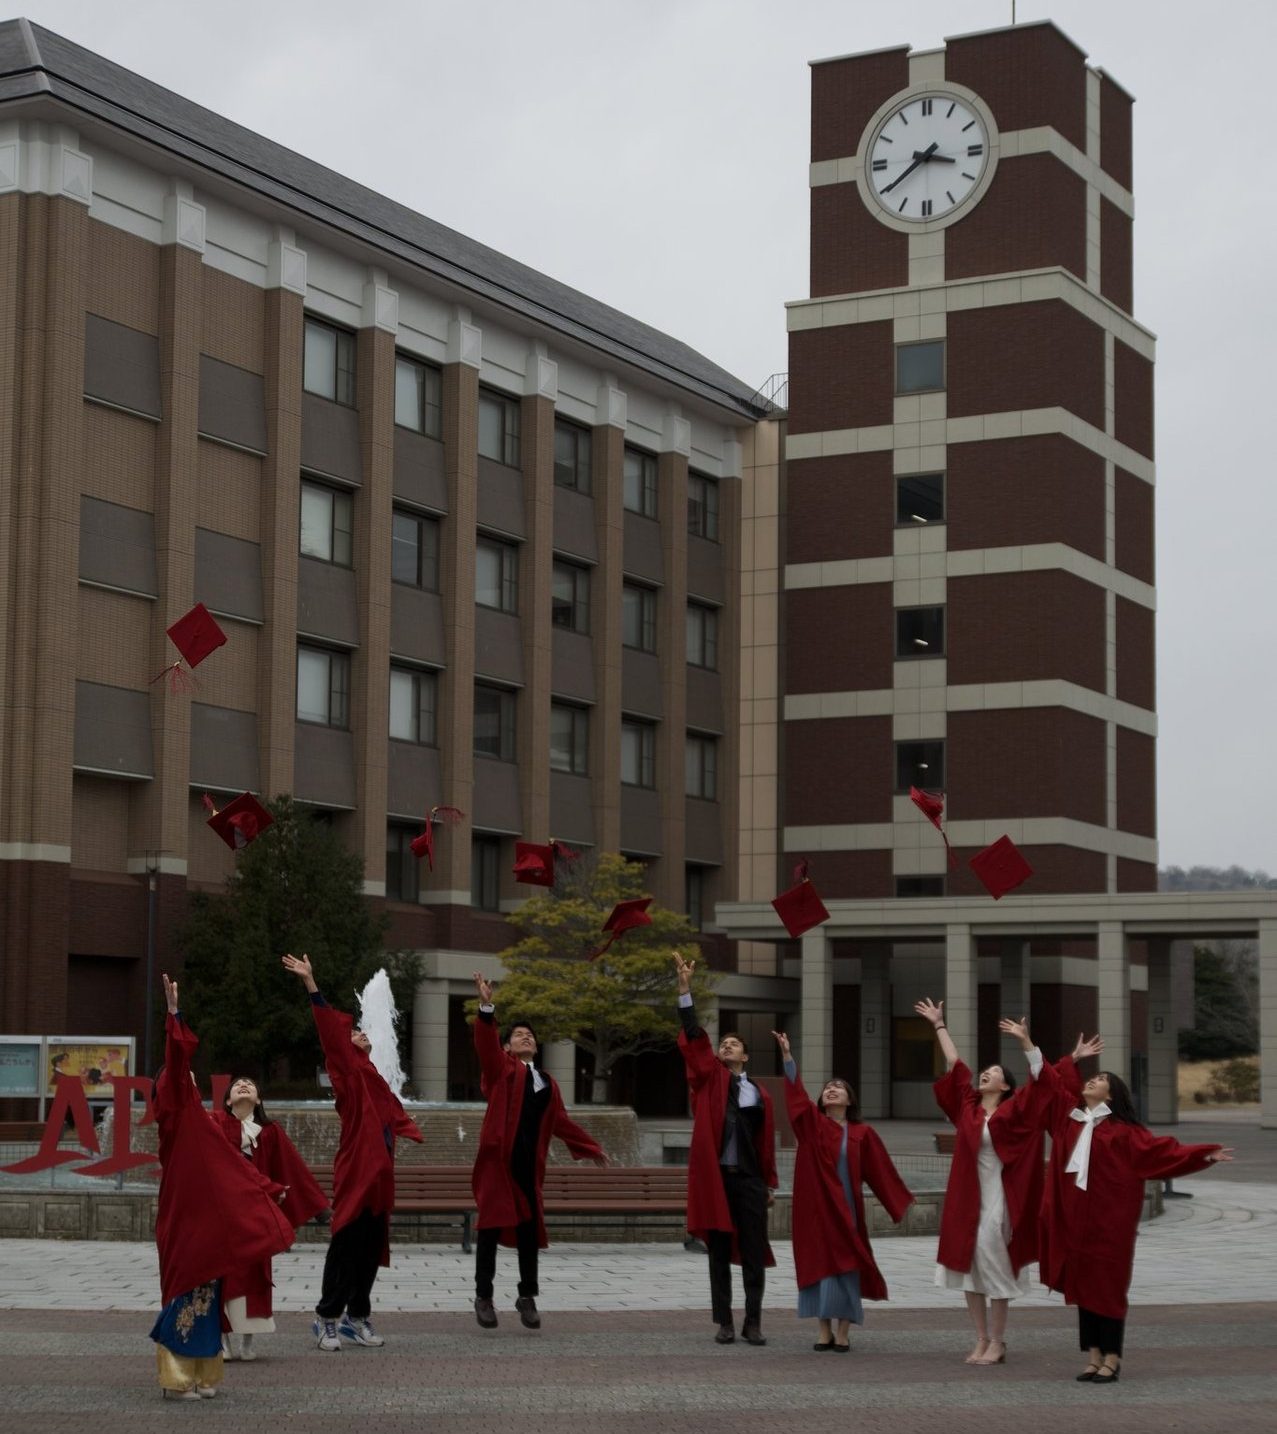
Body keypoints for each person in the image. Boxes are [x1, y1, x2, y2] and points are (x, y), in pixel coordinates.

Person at [1030, 1049, 1233, 1383]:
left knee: (1108, 1286)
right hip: (1077, 1219)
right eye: (1091, 1078)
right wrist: (1062, 1056)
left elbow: (1163, 1152)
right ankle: (1093, 1356)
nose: (1091, 1081)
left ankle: (1112, 1357)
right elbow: (1053, 1087)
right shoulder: (1073, 1121)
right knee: (1083, 1283)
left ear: (1111, 1094)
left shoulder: (1124, 1132)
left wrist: (1204, 1155)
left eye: (1099, 1080)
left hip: (1110, 1221)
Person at [914, 998, 1084, 1365]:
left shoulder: (1017, 1107)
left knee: (994, 1256)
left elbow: (1042, 1080)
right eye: (984, 1072)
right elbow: (954, 1065)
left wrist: (1025, 1041)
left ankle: (999, 1339)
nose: (984, 1074)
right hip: (967, 1197)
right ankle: (980, 1338)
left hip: (1003, 1195)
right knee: (967, 1263)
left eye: (992, 1072)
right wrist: (938, 1025)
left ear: (1006, 1085)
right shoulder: (968, 1108)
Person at [150, 974, 293, 1401]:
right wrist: (174, 1016)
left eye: (190, 1078)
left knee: (208, 1293)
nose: (189, 1080)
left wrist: (269, 1189)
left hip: (207, 1221)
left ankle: (202, 1375)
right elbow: (176, 1068)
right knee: (185, 1293)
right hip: (184, 1220)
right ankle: (176, 1379)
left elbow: (235, 1164)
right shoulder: (177, 1117)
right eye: (182, 1079)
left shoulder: (208, 1124)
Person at [282, 952, 423, 1351]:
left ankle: (356, 1317)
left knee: (369, 1249)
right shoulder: (346, 1071)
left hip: (379, 1178)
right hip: (358, 1173)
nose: (361, 1032)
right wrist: (312, 984)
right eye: (355, 1032)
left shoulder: (372, 1075)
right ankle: (326, 1317)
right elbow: (331, 1033)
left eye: (363, 1031)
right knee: (345, 1244)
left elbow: (392, 1117)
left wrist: (407, 1131)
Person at [470, 971, 607, 1331]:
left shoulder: (547, 1081)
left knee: (529, 1232)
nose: (526, 1036)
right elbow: (485, 1046)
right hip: (499, 1164)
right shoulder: (501, 1070)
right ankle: (483, 1296)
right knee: (488, 1227)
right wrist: (486, 1008)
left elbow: (560, 1121)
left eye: (530, 1034)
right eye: (518, 1035)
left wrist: (590, 1146)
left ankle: (526, 1296)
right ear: (508, 1047)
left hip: (528, 1168)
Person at [772, 1030, 914, 1352]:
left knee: (848, 1263)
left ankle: (844, 1332)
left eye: (839, 1088)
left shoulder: (863, 1133)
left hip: (847, 1208)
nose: (832, 1091)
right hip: (816, 1208)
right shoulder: (811, 1126)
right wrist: (788, 1058)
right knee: (818, 1264)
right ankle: (823, 1330)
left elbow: (882, 1172)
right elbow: (795, 1098)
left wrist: (899, 1203)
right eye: (827, 1089)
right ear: (821, 1101)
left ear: (850, 1100)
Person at [674, 951, 778, 1346]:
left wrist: (769, 1183)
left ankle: (753, 1321)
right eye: (724, 1043)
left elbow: (765, 1143)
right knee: (718, 1253)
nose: (727, 1046)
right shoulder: (708, 1079)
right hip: (718, 1179)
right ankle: (725, 1323)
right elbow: (695, 1043)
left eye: (734, 1044)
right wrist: (685, 991)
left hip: (749, 1180)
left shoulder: (759, 1093)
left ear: (745, 1055)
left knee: (753, 1252)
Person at [214, 1075, 329, 1360]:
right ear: (227, 1100)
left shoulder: (270, 1132)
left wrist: (318, 1207)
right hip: (224, 1213)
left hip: (257, 1215)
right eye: (237, 1084)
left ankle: (248, 1340)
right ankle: (222, 1338)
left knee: (255, 1274)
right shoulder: (215, 1125)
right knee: (221, 1275)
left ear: (259, 1099)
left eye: (250, 1085)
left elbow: (293, 1169)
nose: (243, 1085)